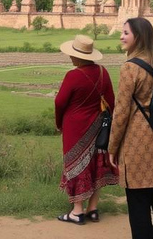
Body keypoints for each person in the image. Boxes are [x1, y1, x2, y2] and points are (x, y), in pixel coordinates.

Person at [107, 17, 153, 239]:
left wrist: (112, 147)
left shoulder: (130, 68)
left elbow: (121, 113)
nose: (121, 36)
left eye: (126, 33)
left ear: (138, 37)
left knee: (139, 206)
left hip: (138, 144)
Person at [55, 34, 118, 225]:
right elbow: (112, 101)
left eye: (72, 54)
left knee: (76, 166)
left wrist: (59, 123)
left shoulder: (72, 76)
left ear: (78, 56)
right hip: (98, 125)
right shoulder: (102, 72)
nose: (70, 57)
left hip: (75, 127)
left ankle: (77, 211)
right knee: (96, 164)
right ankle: (93, 208)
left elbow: (59, 102)